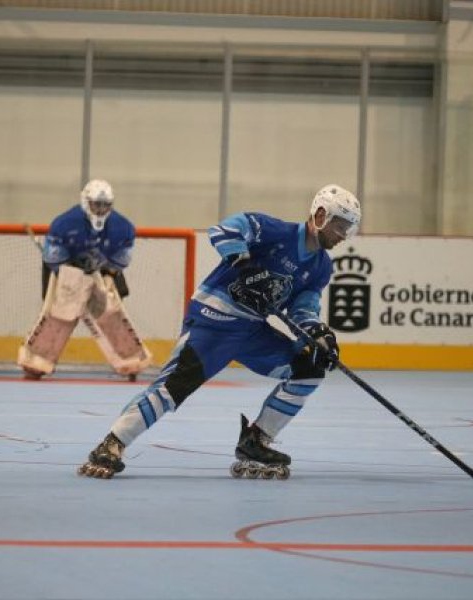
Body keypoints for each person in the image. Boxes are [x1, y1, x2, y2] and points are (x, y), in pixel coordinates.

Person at [78, 183, 362, 480]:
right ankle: (113, 442)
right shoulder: (275, 231)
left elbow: (304, 309)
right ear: (320, 215)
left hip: (252, 331)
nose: (343, 235)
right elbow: (225, 230)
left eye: (348, 229)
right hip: (214, 320)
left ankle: (256, 440)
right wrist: (242, 261)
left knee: (309, 369)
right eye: (340, 226)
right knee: (174, 387)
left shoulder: (321, 267)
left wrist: (318, 336)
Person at [17, 179, 151, 381]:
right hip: (66, 269)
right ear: (85, 202)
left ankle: (131, 361)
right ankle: (36, 361)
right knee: (60, 314)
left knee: (110, 312)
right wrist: (72, 272)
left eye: (105, 205)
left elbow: (122, 257)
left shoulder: (122, 227)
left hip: (101, 270)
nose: (100, 209)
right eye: (96, 204)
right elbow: (53, 258)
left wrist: (108, 272)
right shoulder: (64, 224)